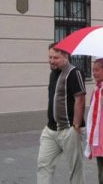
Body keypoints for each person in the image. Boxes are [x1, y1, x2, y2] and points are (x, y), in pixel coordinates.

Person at [37, 43, 86, 184]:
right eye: (50, 57)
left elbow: (80, 99)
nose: (52, 60)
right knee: (43, 164)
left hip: (69, 130)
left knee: (76, 170)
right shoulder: (53, 73)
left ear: (66, 56)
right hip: (50, 130)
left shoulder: (74, 73)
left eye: (56, 57)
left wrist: (76, 126)